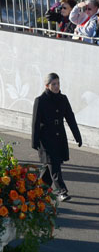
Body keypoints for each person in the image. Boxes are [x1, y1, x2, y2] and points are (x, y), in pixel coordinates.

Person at [31, 73, 82, 202]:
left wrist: (77, 136)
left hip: (59, 137)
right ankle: (62, 191)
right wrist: (34, 141)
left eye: (58, 83)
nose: (56, 86)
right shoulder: (40, 100)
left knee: (49, 170)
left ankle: (36, 192)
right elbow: (35, 123)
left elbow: (70, 118)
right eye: (53, 84)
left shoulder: (63, 99)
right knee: (54, 165)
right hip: (46, 139)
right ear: (47, 86)